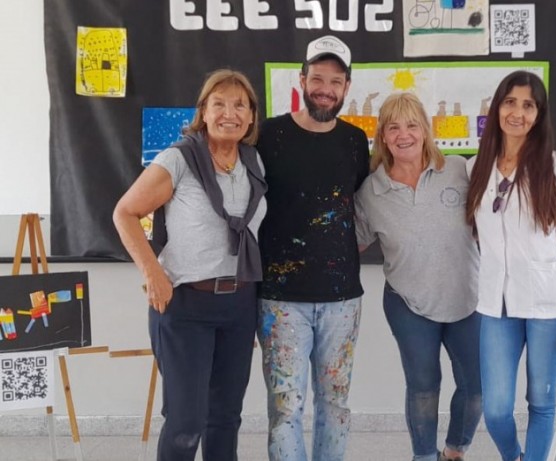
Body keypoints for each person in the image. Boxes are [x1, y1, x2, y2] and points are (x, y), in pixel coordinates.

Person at [113, 69, 267, 460]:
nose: (229, 113)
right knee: (186, 421)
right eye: (219, 104)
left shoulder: (254, 163)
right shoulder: (178, 158)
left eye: (239, 105)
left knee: (225, 418)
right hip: (186, 307)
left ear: (251, 116)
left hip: (238, 305)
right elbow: (125, 213)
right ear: (203, 111)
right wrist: (152, 273)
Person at [464, 70, 556, 461]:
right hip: (496, 305)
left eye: (528, 105)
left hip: (548, 305)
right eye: (510, 102)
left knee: (541, 402)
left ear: (539, 115)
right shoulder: (476, 167)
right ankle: (513, 456)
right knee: (497, 409)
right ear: (497, 106)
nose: (517, 112)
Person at [255, 35, 369, 461]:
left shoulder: (356, 142)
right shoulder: (267, 135)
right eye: (317, 78)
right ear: (302, 80)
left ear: (346, 87)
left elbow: (359, 205)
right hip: (280, 300)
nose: (325, 88)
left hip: (343, 299)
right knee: (285, 408)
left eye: (335, 81)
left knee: (335, 405)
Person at [354, 93, 482, 461]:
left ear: (426, 130)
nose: (403, 134)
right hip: (408, 303)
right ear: (382, 137)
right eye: (393, 127)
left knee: (476, 388)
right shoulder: (370, 191)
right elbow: (354, 246)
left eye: (412, 125)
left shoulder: (459, 169)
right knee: (424, 387)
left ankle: (454, 451)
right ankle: (423, 456)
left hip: (467, 297)